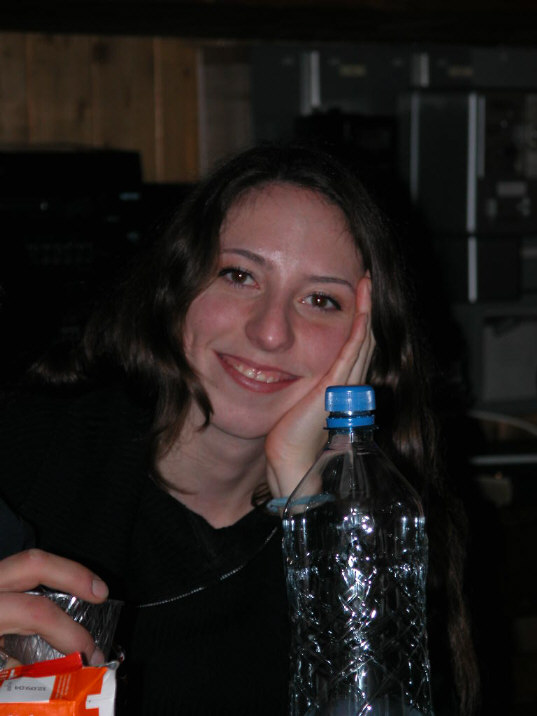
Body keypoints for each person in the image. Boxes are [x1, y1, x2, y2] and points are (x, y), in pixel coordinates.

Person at [0, 143, 478, 714]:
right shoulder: (20, 459)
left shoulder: (382, 524)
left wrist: (312, 506)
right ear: (176, 285)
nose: (270, 331)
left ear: (370, 341)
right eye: (239, 275)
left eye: (321, 299)